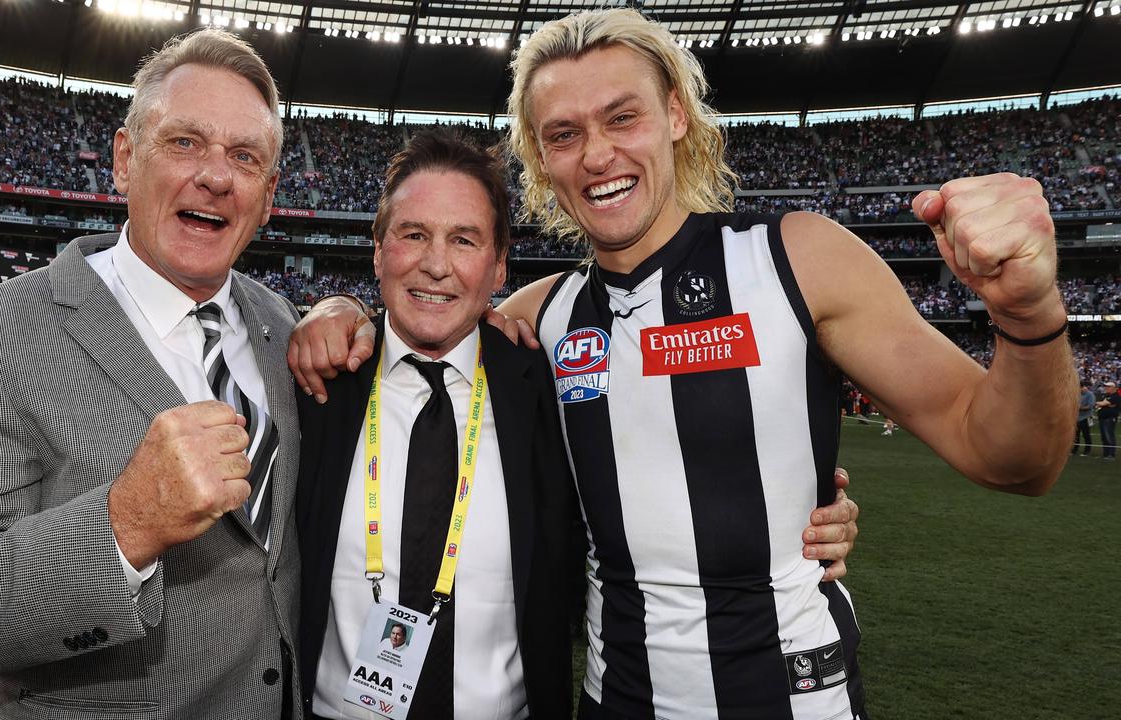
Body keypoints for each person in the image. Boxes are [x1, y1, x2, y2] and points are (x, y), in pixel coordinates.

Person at [289, 8, 1075, 719]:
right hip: (614, 699)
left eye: (621, 117)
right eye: (563, 135)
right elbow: (428, 320)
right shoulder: (542, 319)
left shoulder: (797, 259)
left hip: (795, 699)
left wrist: (1027, 316)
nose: (597, 155)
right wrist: (342, 314)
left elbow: (1012, 458)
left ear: (674, 115)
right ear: (542, 159)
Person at [296, 133, 860, 720]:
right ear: (378, 250)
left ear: (498, 269)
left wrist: (804, 511)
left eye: (464, 240)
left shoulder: (543, 386)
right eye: (413, 235)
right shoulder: (319, 384)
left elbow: (656, 462)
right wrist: (335, 306)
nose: (436, 264)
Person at [0, 29, 303, 718]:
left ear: (268, 193)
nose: (216, 176)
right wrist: (124, 523)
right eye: (185, 142)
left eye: (245, 157)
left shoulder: (283, 326)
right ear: (124, 159)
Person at [1095, 380, 1118, 460]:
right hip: (1102, 419)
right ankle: (1105, 454)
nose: (1106, 388)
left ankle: (1111, 455)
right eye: (1106, 386)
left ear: (1114, 388)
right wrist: (1103, 404)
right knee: (1104, 437)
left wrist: (1101, 403)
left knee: (1109, 437)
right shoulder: (1106, 396)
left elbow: (1102, 404)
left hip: (1109, 419)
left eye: (1108, 387)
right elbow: (1100, 405)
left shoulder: (1116, 396)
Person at [1075, 380, 1095, 456]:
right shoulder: (1077, 394)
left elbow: (1090, 406)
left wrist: (1079, 408)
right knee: (1076, 435)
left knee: (1086, 434)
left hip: (1086, 417)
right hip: (1077, 418)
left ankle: (1087, 451)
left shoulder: (1090, 394)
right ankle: (1074, 450)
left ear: (1082, 387)